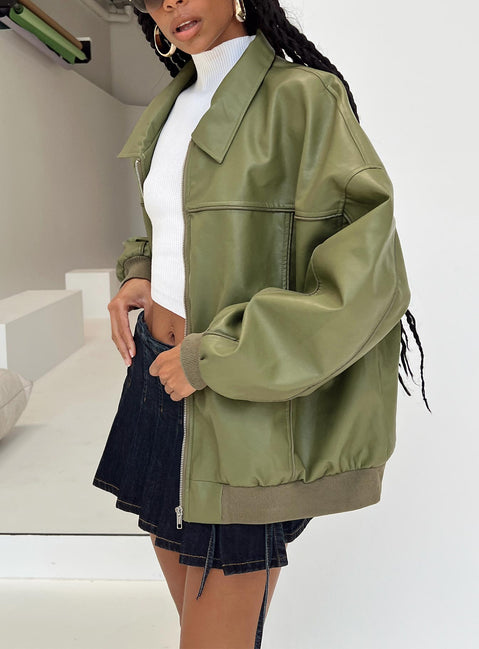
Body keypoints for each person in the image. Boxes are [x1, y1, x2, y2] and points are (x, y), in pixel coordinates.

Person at [93, 1, 429, 647]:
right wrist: (143, 271)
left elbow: (367, 278)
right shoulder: (175, 103)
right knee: (196, 620)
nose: (169, 4)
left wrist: (218, 356)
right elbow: (180, 221)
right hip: (155, 377)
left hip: (233, 396)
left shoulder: (303, 97)